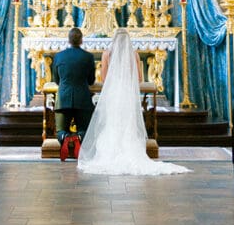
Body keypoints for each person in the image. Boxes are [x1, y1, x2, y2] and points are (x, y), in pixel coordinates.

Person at [78, 29, 189, 175]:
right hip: (128, 93)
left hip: (113, 93)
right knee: (128, 122)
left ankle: (111, 153)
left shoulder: (107, 54)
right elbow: (139, 79)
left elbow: (105, 79)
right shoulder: (134, 54)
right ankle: (131, 151)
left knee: (112, 122)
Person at [51, 27, 96, 150]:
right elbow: (91, 81)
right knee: (84, 130)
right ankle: (79, 139)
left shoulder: (59, 56)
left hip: (63, 98)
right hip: (82, 99)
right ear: (81, 40)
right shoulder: (88, 57)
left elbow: (56, 80)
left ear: (69, 40)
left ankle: (65, 138)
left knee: (60, 130)